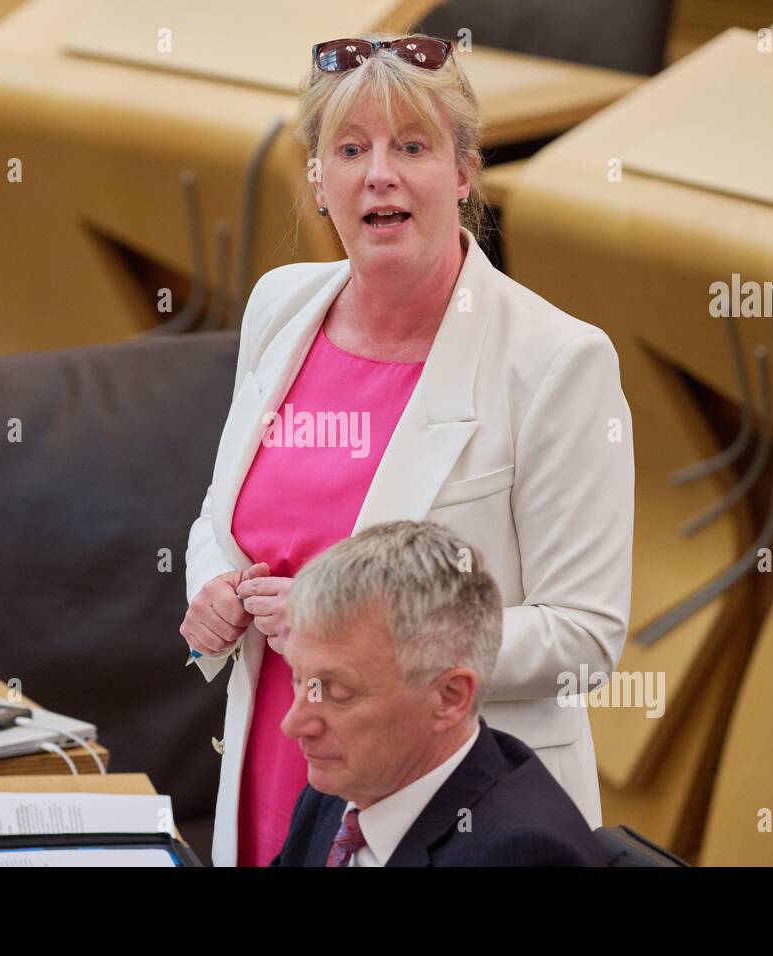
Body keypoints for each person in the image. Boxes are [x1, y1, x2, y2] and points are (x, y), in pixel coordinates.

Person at [180, 33, 634, 867]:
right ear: (318, 180)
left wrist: (380, 647)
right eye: (350, 149)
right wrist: (211, 581)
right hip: (279, 756)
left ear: (462, 173)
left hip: (459, 817)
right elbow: (223, 517)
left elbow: (585, 635)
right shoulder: (279, 306)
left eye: (412, 147)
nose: (378, 173)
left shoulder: (556, 361)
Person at [273, 521, 605, 867]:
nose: (294, 724)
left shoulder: (521, 855)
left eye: (339, 692)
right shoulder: (345, 782)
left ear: (450, 697)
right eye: (299, 679)